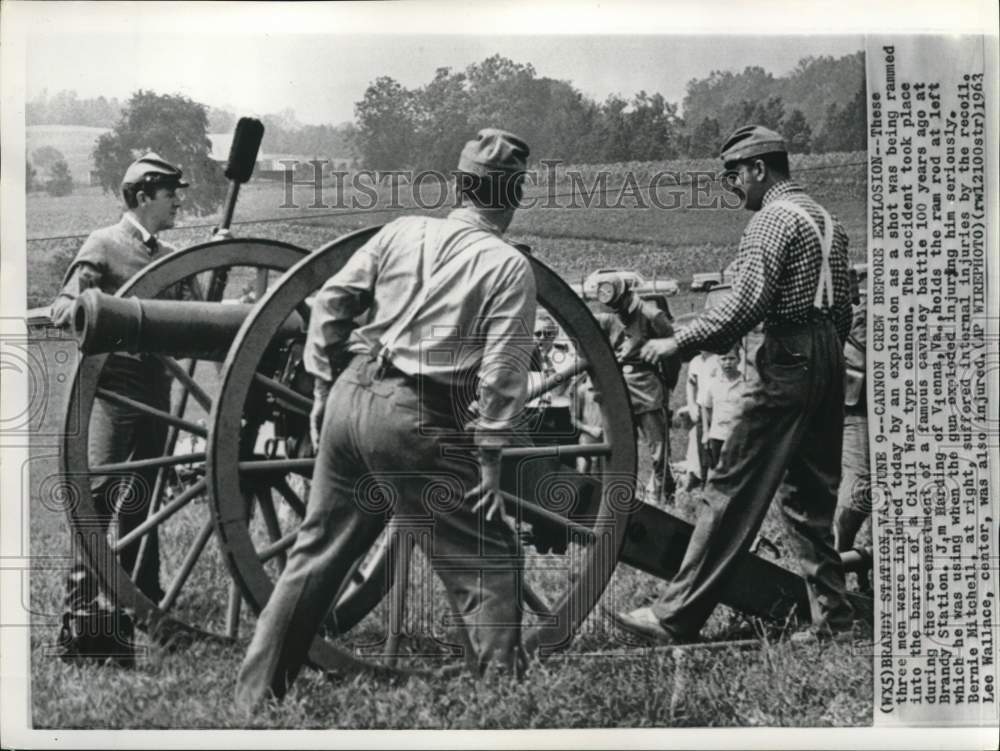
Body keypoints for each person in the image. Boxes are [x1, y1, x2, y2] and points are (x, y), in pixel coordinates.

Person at [235, 128, 536, 710]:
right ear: (514, 192)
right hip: (416, 415)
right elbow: (502, 372)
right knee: (489, 558)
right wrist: (492, 460)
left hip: (351, 397)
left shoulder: (403, 229)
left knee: (315, 553)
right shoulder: (507, 266)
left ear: (459, 183)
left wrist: (323, 384)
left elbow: (330, 301)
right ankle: (504, 711)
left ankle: (254, 700)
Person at [617, 124, 856, 643]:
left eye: (735, 177)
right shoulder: (828, 222)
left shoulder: (770, 222)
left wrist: (675, 343)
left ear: (758, 170)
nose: (733, 188)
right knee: (808, 500)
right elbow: (844, 309)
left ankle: (674, 617)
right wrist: (820, 357)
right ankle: (834, 619)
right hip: (828, 359)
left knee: (728, 492)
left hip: (786, 355)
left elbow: (744, 305)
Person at [51, 153, 193, 665]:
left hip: (157, 396)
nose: (179, 200)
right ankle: (82, 623)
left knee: (146, 507)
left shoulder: (174, 255)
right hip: (113, 396)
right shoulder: (103, 246)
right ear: (142, 197)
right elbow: (64, 306)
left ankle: (145, 611)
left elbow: (196, 324)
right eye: (170, 192)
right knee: (101, 502)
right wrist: (98, 312)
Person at [593, 273, 680, 504]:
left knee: (658, 451)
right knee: (622, 449)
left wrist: (668, 385)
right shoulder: (609, 319)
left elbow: (672, 353)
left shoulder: (652, 315)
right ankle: (623, 500)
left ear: (627, 294)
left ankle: (664, 500)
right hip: (619, 390)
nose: (616, 310)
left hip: (648, 390)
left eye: (618, 304)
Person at [835, 264, 872, 591]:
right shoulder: (849, 321)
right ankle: (837, 560)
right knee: (859, 492)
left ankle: (864, 572)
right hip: (855, 408)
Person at [698, 343, 745, 469]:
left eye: (731, 358)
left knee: (736, 469)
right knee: (718, 469)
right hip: (718, 434)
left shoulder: (745, 383)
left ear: (739, 360)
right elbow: (706, 407)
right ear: (718, 361)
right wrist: (706, 432)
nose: (727, 363)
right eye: (724, 359)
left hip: (738, 435)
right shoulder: (713, 383)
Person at [681, 350, 717, 490]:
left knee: (716, 444)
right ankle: (701, 481)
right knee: (702, 442)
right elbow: (690, 384)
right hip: (702, 407)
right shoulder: (696, 361)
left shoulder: (718, 359)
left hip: (718, 407)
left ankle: (713, 482)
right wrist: (691, 404)